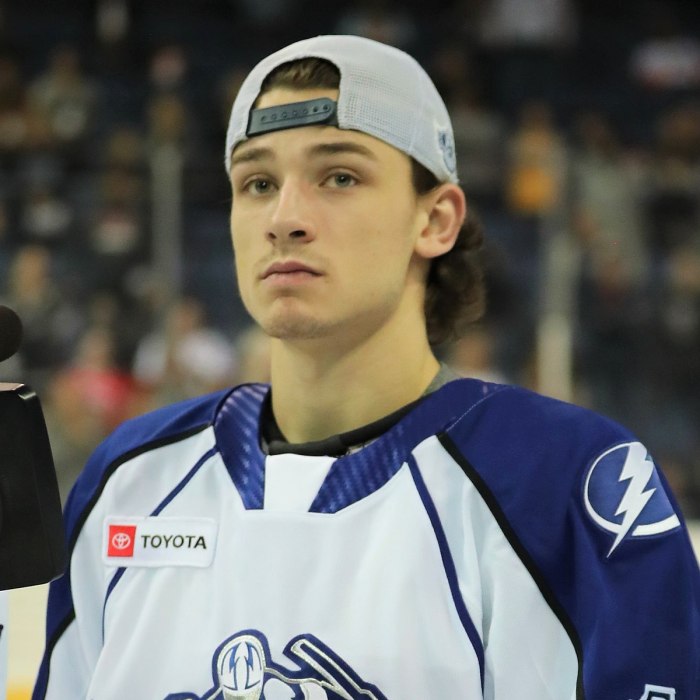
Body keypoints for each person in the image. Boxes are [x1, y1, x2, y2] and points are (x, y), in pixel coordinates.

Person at [34, 35, 699, 700]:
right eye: (258, 184)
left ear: (435, 220)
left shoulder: (567, 482)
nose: (285, 219)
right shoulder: (128, 481)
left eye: (340, 177)